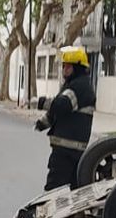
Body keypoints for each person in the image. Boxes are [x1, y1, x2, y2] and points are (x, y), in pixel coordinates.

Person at [35, 45, 95, 190]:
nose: (64, 70)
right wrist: (42, 123)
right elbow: (60, 113)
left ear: (78, 68)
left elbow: (62, 105)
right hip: (70, 148)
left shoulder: (79, 86)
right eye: (64, 66)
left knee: (55, 187)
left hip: (68, 149)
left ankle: (48, 212)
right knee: (72, 188)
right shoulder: (75, 84)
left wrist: (41, 102)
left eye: (68, 67)